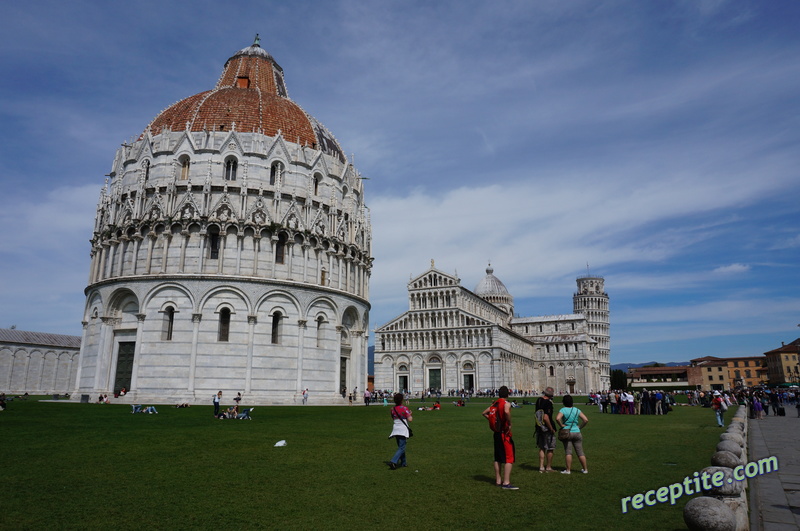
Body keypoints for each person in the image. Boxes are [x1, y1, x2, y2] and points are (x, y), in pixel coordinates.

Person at [482, 385, 517, 489]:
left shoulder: (495, 403)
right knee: (509, 458)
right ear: (508, 394)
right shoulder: (506, 403)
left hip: (496, 433)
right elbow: (506, 411)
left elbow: (484, 413)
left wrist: (492, 421)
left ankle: (498, 480)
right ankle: (506, 483)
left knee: (497, 457)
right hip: (504, 434)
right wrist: (509, 423)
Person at [556, 394, 589, 474]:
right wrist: (580, 427)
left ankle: (568, 470)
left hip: (567, 432)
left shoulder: (563, 410)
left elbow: (557, 418)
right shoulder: (577, 410)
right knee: (580, 452)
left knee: (568, 452)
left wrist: (561, 425)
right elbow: (585, 420)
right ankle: (585, 469)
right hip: (577, 432)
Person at [388, 392, 412, 470]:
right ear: (402, 400)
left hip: (396, 428)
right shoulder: (404, 408)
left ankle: (403, 463)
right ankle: (393, 461)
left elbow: (393, 417)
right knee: (402, 447)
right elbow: (410, 419)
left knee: (401, 446)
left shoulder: (392, 409)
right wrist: (410, 414)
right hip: (402, 429)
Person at [535, 387, 556, 473]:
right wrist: (551, 428)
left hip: (539, 427)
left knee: (542, 447)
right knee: (550, 448)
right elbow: (546, 417)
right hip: (547, 428)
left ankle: (541, 467)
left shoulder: (539, 400)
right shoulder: (548, 403)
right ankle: (548, 467)